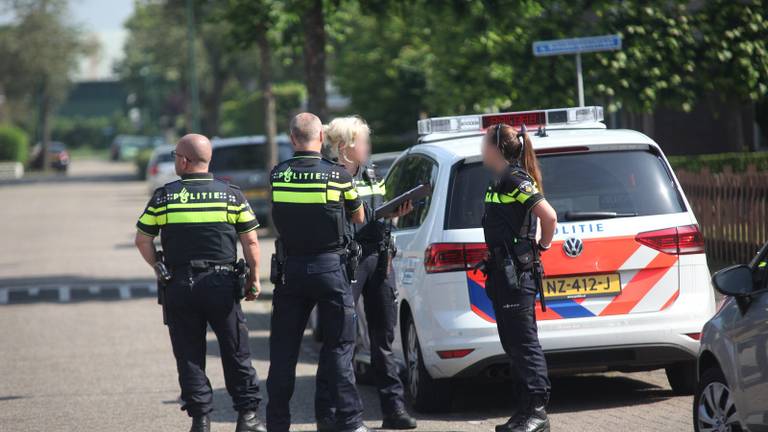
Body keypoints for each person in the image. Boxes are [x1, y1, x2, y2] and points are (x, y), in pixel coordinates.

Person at [134, 134, 266, 432]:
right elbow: (252, 242)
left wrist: (159, 267)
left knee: (189, 354)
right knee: (236, 351)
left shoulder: (165, 196)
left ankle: (201, 420)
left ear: (183, 160)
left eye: (174, 155)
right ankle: (247, 417)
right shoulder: (231, 194)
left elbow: (143, 239)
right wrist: (254, 279)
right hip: (222, 283)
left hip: (180, 285)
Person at [265, 113, 369, 432]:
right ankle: (350, 421)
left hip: (291, 270)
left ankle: (278, 423)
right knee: (339, 346)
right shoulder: (337, 176)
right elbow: (359, 217)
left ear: (292, 138)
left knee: (283, 351)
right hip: (330, 269)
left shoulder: (278, 175)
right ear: (321, 137)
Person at [315, 116, 417, 431]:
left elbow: (378, 211)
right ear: (346, 147)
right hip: (348, 262)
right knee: (340, 340)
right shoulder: (328, 177)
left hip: (380, 258)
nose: (368, 147)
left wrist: (396, 213)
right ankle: (330, 414)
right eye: (363, 142)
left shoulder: (372, 173)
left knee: (383, 339)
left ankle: (393, 410)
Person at [480, 124, 557, 432]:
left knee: (524, 345)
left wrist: (542, 246)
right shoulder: (499, 179)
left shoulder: (514, 178)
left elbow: (548, 216)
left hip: (517, 276)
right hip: (502, 273)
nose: (480, 149)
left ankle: (537, 413)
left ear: (496, 148)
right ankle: (524, 412)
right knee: (513, 345)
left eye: (484, 143)